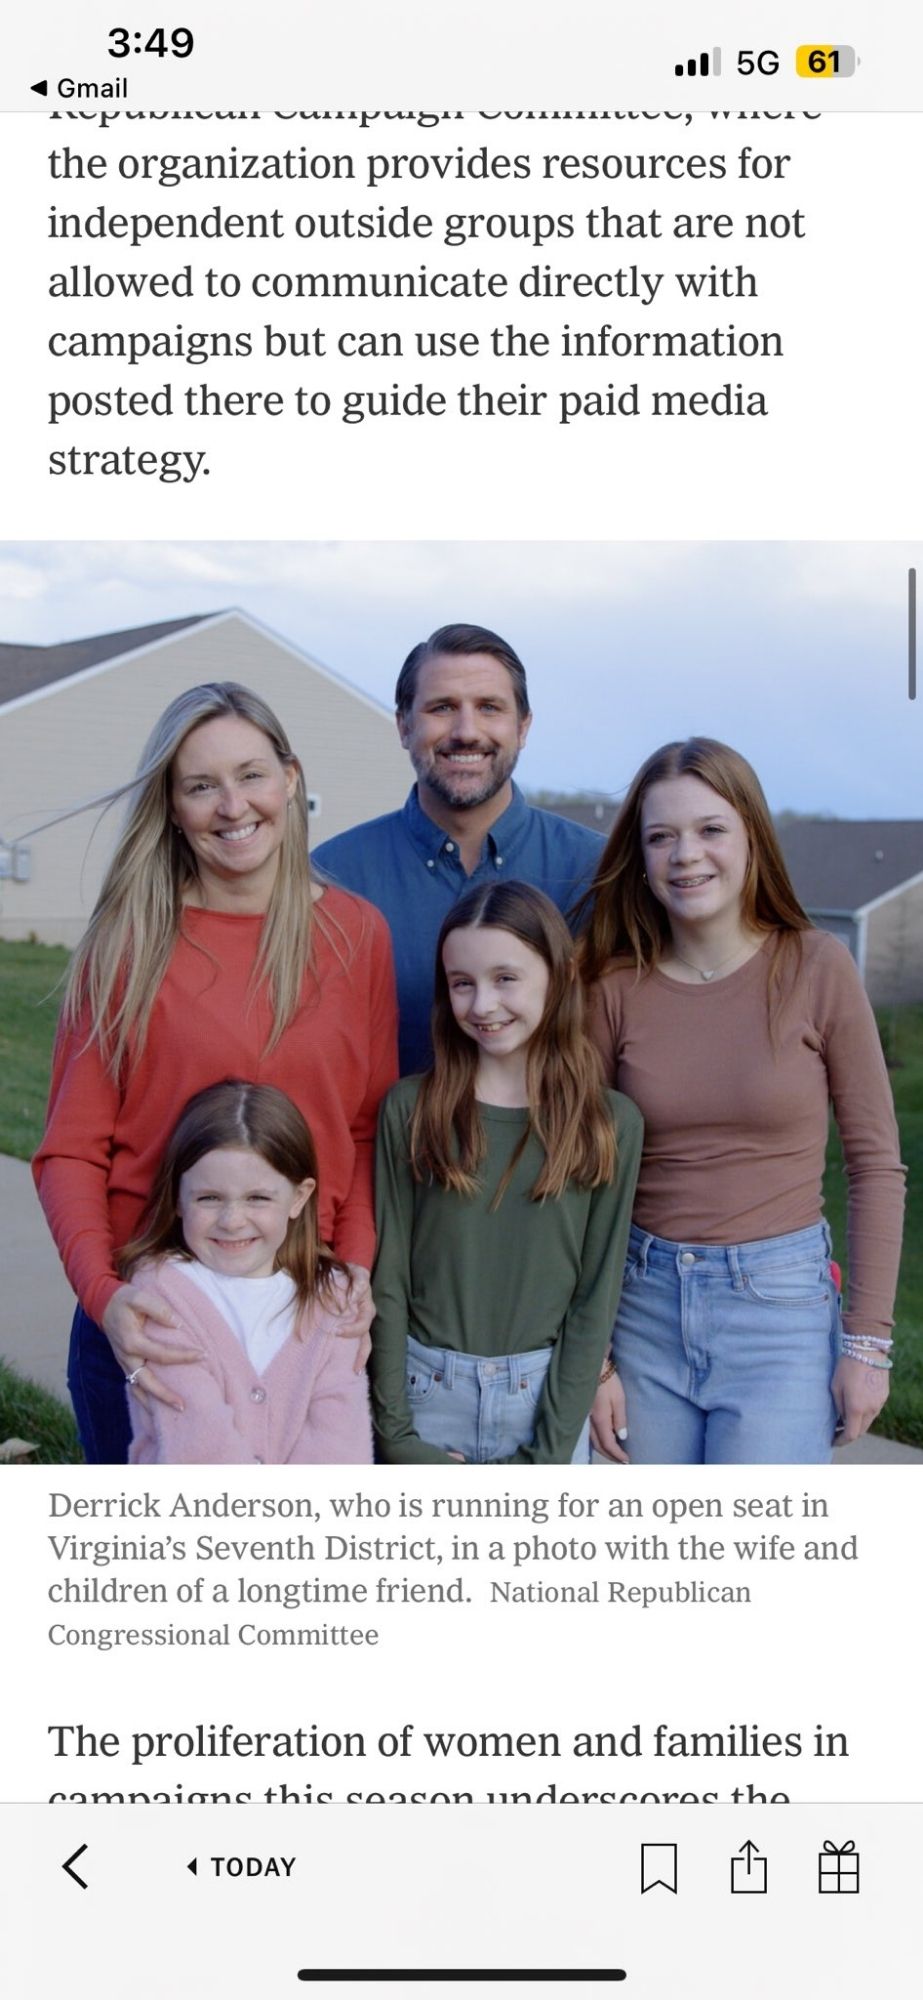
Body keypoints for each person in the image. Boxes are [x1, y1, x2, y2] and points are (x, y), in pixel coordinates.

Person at [33, 681, 397, 1464]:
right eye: (201, 786)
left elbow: (364, 1132)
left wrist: (357, 1269)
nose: (232, 806)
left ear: (291, 778)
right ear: (171, 806)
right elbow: (68, 1150)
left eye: (251, 775)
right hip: (155, 1322)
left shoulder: (354, 934)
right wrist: (108, 1298)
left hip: (302, 1326)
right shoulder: (129, 940)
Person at [581, 738, 906, 1466]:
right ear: (638, 856)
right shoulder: (611, 988)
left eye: (709, 829)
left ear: (750, 836)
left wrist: (867, 1345)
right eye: (660, 836)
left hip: (780, 1318)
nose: (684, 854)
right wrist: (595, 1358)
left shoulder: (816, 966)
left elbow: (876, 1166)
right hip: (642, 1312)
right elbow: (586, 1178)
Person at [370, 881, 643, 1465]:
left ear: (559, 975)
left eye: (506, 979)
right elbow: (386, 1280)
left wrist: (546, 1456)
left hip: (543, 1402)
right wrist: (396, 1436)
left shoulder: (608, 1123)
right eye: (462, 983)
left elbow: (594, 1299)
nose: (483, 1005)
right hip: (425, 1397)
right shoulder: (411, 1109)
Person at [313, 623, 604, 1073]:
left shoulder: (595, 873)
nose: (466, 731)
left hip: (560, 1141)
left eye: (489, 708)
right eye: (442, 707)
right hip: (392, 1142)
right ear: (404, 725)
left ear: (522, 727)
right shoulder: (330, 879)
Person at [123, 1081, 373, 1465]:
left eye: (257, 1198)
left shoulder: (334, 1301)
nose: (232, 1220)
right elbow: (199, 1444)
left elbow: (340, 1446)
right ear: (177, 1198)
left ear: (299, 1198)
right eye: (209, 1198)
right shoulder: (161, 1292)